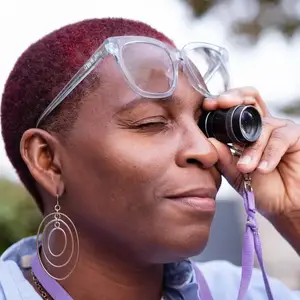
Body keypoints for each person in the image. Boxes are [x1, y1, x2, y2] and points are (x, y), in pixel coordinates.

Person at [0, 17, 300, 300]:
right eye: (151, 123)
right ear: (48, 160)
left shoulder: (244, 292)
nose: (207, 151)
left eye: (204, 125)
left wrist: (293, 212)